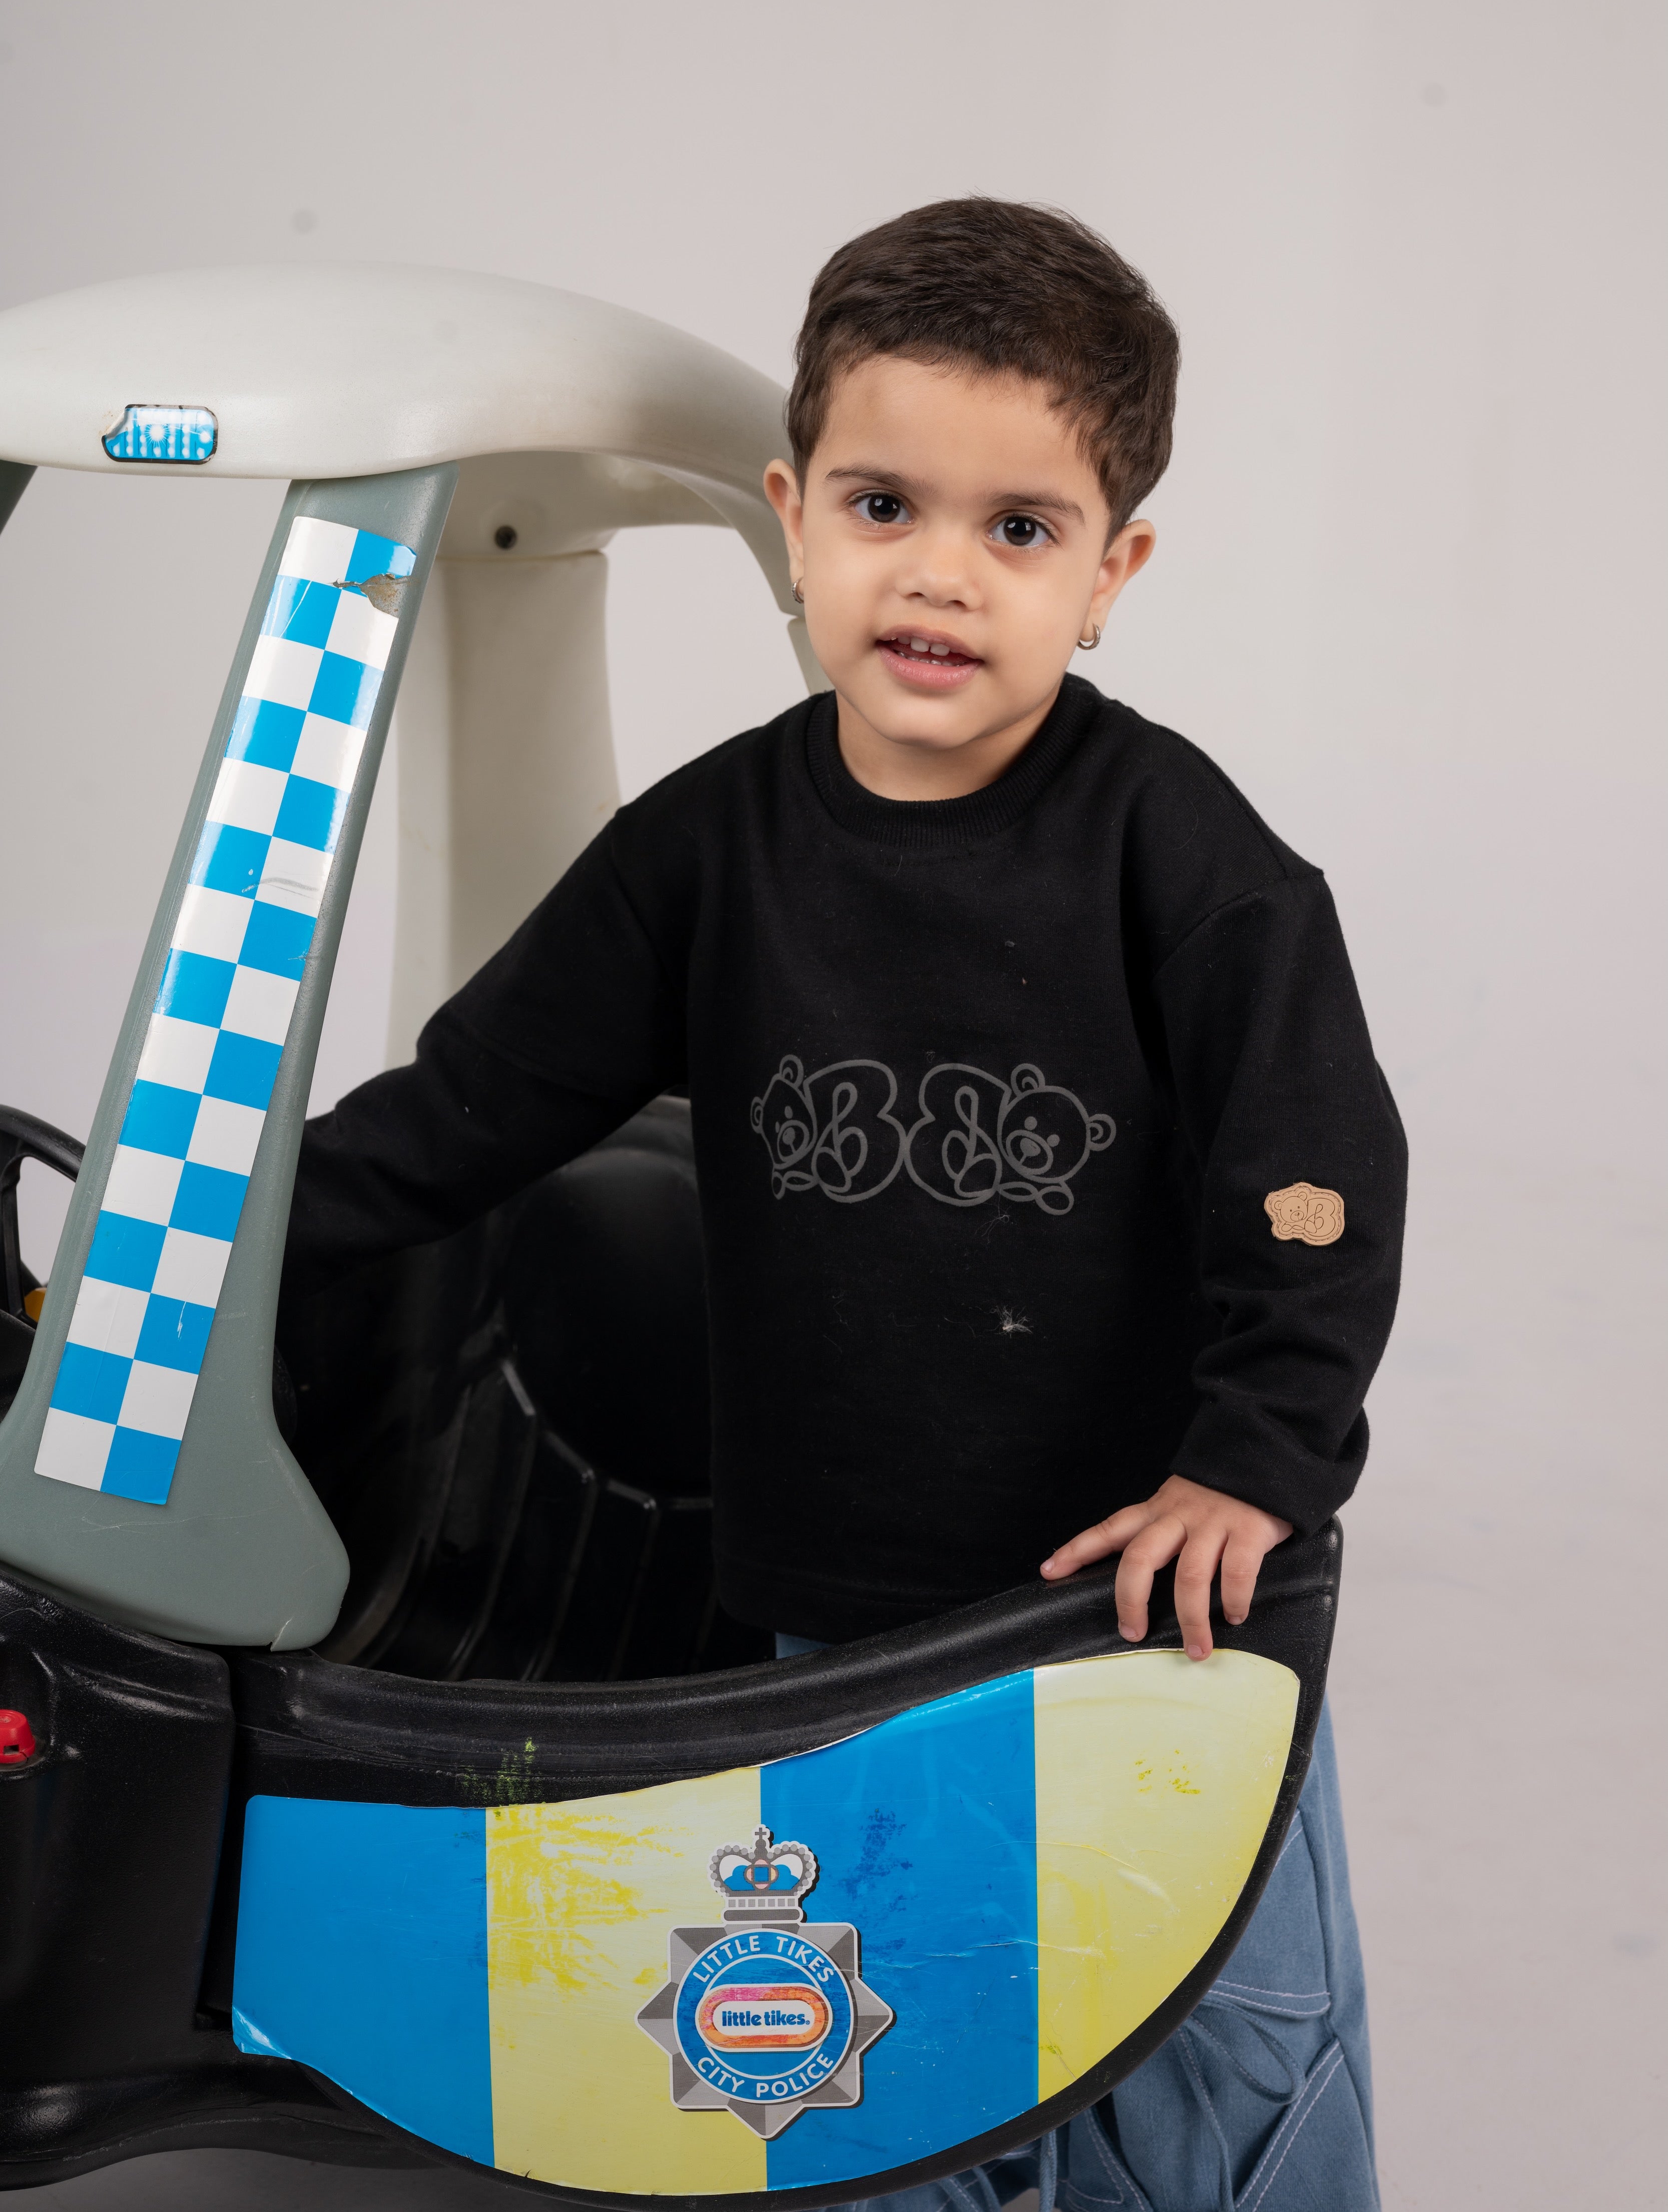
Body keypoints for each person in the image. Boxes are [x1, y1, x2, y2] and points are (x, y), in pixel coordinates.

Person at [282, 199, 1405, 2212]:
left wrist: (1258, 1458)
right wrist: (195, 1238)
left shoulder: (1189, 864)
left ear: (1111, 572)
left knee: (1217, 2055)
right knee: (878, 2056)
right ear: (796, 516)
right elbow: (472, 1105)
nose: (940, 577)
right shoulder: (704, 852)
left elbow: (1313, 1180)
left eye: (1020, 529)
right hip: (840, 1610)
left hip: (1148, 1606)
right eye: (887, 502)